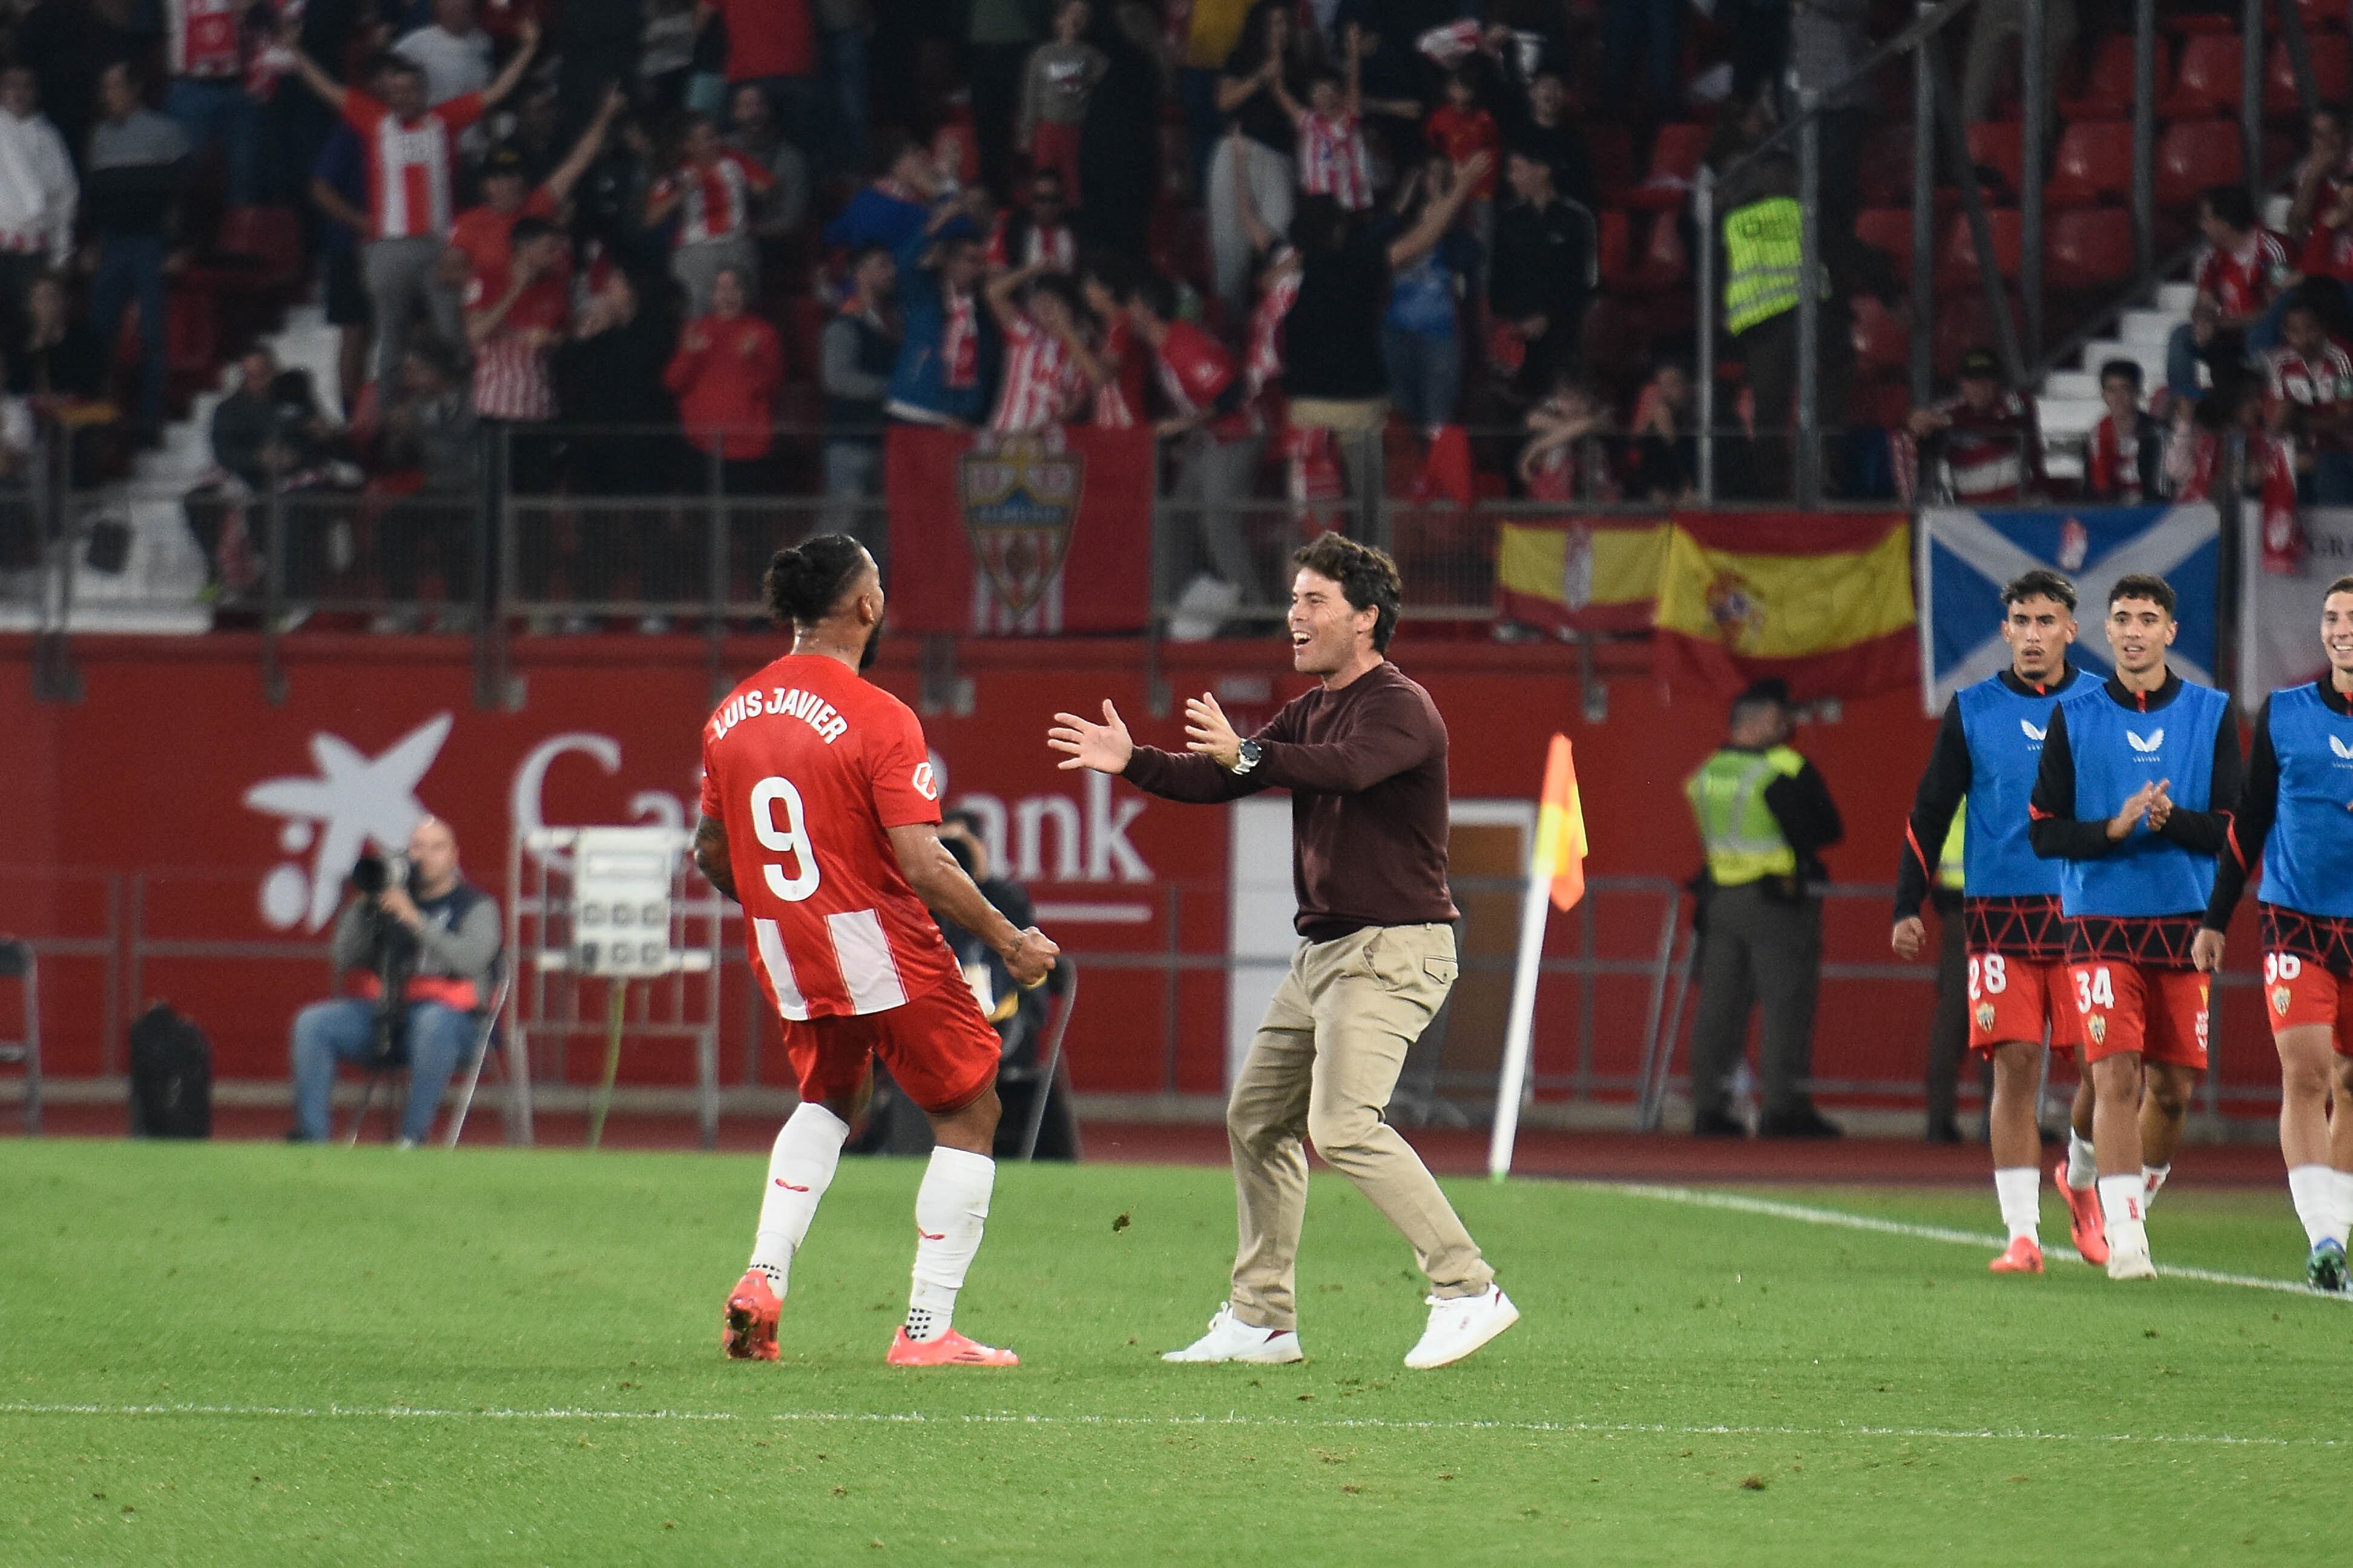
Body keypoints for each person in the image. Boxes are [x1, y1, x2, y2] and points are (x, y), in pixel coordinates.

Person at [1048, 532, 1520, 1371]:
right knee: (1257, 1117)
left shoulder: (1399, 704)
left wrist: (1251, 752)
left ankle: (1465, 1285)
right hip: (1327, 956)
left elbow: (1342, 769)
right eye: (1293, 598)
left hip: (1391, 947)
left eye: (1313, 601)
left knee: (1340, 1124)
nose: (1292, 617)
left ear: (1366, 618)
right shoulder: (1309, 708)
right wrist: (1135, 763)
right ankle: (1261, 1319)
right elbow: (1227, 775)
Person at [694, 533, 1059, 1366]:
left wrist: (785, 906)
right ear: (864, 607)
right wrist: (1007, 938)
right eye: (879, 585)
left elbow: (711, 853)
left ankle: (761, 1276)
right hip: (877, 942)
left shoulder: (731, 712)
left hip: (784, 943)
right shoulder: (878, 715)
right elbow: (923, 859)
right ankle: (926, 1328)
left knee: (831, 1097)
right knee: (970, 1109)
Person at [2030, 574, 2243, 1281]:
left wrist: (2167, 820)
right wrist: (2113, 827)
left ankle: (2105, 1187)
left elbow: (2228, 828)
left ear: (2168, 631)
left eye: (2145, 618)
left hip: (2181, 919)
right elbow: (2043, 831)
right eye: (2119, 617)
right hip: (2096, 921)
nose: (2130, 630)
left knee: (2173, 1089)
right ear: (2106, 628)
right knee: (2114, 1074)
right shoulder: (2074, 714)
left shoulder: (2210, 713)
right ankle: (2125, 1237)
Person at [1892, 569, 2106, 1272]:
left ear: (2069, 630)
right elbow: (1928, 810)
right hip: (1996, 918)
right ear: (2006, 628)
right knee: (2014, 1068)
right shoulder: (1972, 708)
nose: (2033, 633)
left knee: (2102, 1073)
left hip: (2085, 914)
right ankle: (2020, 1233)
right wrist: (1905, 903)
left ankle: (2077, 1183)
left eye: (2047, 621)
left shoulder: (2100, 702)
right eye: (2021, 620)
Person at [2198, 577, 2353, 1291]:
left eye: (2350, 617)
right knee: (2306, 1071)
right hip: (2294, 919)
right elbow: (2249, 819)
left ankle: (2337, 1228)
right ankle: (2320, 1235)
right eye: (2330, 617)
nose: (2339, 628)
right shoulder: (2283, 713)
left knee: (2349, 1084)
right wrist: (2214, 914)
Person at [287, 22, 543, 399]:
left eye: (411, 89)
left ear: (424, 92)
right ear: (387, 94)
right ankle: (389, 417)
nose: (404, 96)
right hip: (388, 247)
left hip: (439, 247)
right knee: (390, 333)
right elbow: (326, 88)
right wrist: (295, 52)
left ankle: (462, 405)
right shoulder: (372, 118)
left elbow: (496, 92)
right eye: (397, 91)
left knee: (451, 331)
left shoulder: (444, 120)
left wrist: (528, 49)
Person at [1684, 679, 1846, 1139]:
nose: (1788, 727)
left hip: (1718, 900)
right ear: (1753, 723)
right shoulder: (1782, 768)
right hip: (1774, 902)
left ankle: (1708, 1107)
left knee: (1717, 1007)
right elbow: (1824, 829)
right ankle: (1783, 1107)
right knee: (1785, 1004)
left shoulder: (1708, 771)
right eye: (1779, 719)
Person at [287, 816, 501, 1147]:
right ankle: (312, 1138)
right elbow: (343, 958)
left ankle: (411, 1139)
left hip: (459, 1025)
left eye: (437, 847)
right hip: (390, 1016)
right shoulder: (391, 898)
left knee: (433, 1022)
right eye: (417, 847)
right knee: (313, 1022)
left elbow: (471, 960)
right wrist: (366, 903)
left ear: (454, 855)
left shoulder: (477, 906)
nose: (425, 856)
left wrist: (415, 919)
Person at [85, 61, 191, 441]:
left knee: (152, 336)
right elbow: (94, 200)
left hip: (151, 244)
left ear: (133, 90)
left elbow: (184, 196)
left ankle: (149, 422)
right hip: (112, 245)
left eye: (113, 88)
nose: (106, 96)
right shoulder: (99, 137)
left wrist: (179, 246)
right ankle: (98, 417)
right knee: (99, 333)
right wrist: (92, 244)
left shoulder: (167, 133)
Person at [2167, 186, 2290, 408]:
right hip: (2229, 332)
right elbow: (2202, 303)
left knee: (2260, 334)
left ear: (2225, 223)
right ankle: (2188, 411)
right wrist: (2202, 321)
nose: (2202, 226)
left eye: (2206, 219)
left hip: (2268, 331)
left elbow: (2281, 308)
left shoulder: (2274, 249)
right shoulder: (2212, 258)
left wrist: (2226, 323)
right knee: (2181, 337)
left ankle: (2266, 401)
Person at [665, 264, 783, 491]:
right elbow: (674, 383)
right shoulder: (695, 331)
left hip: (749, 450)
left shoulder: (763, 333)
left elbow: (769, 387)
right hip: (703, 448)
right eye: (721, 289)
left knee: (748, 524)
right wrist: (691, 355)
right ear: (711, 295)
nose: (727, 296)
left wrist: (751, 360)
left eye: (734, 288)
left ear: (745, 293)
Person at [1489, 148, 1594, 401]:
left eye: (1517, 170)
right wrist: (1515, 322)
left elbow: (1584, 280)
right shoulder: (1508, 221)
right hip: (1516, 340)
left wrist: (1548, 316)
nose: (1511, 178)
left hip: (1563, 337)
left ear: (1543, 170)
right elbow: (1498, 281)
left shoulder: (1576, 219)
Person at [650, 111, 775, 315]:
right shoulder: (676, 173)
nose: (716, 142)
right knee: (695, 312)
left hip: (737, 245)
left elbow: (767, 186)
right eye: (708, 138)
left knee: (744, 311)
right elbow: (652, 217)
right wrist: (683, 191)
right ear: (688, 146)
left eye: (716, 136)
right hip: (696, 251)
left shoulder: (734, 160)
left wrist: (756, 187)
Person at [884, 211, 993, 428]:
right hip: (909, 407)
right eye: (971, 261)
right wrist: (932, 228)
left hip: (951, 421)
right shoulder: (925, 290)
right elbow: (902, 267)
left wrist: (967, 413)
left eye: (981, 263)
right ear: (949, 262)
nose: (978, 269)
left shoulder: (983, 310)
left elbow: (980, 367)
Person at [820, 243, 898, 543]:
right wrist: (894, 391)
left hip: (881, 440)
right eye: (882, 265)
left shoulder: (892, 323)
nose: (891, 273)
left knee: (876, 529)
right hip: (850, 443)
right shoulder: (845, 323)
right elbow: (837, 379)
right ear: (860, 274)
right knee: (844, 524)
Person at [1907, 349, 2044, 504]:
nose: (1980, 388)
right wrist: (1916, 424)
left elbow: (1998, 422)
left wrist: (1946, 421)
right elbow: (1917, 424)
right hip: (1968, 514)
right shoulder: (1950, 410)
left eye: (1986, 380)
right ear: (1961, 383)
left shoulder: (2016, 403)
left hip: (2017, 508)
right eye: (1972, 381)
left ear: (1997, 382)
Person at [162, 0, 260, 206]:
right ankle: (181, 233)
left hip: (237, 85)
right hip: (191, 86)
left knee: (245, 177)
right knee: (182, 174)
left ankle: (240, 235)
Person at [0, 68, 76, 337]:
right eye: (12, 86)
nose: (19, 93)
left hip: (33, 253)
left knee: (29, 330)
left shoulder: (49, 138)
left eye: (26, 86)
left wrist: (61, 253)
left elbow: (64, 199)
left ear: (36, 92)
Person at [2262, 299, 2353, 504]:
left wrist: (2300, 423)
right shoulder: (2281, 363)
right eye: (2295, 331)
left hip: (2342, 449)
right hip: (2303, 448)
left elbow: (2347, 419)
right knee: (2274, 470)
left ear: (2323, 328)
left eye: (2310, 329)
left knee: (2328, 469)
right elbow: (2276, 421)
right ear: (2286, 333)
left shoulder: (2342, 358)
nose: (2304, 339)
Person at [982, 261, 1090, 433]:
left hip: (1048, 446)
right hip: (1007, 433)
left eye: (1051, 302)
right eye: (1039, 300)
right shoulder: (1025, 331)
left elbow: (1078, 399)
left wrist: (1052, 423)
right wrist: (1034, 268)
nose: (1043, 307)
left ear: (1068, 308)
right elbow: (993, 294)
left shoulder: (1078, 350)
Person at [1017, 0, 1105, 205]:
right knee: (1044, 181)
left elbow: (1106, 86)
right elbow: (1031, 96)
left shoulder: (1091, 56)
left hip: (1077, 130)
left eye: (1083, 14)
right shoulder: (1043, 55)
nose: (1077, 18)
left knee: (1073, 185)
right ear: (1058, 20)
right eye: (1072, 13)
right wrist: (1027, 134)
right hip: (1048, 129)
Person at [394, 0, 494, 156]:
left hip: (475, 147)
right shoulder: (415, 43)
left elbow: (487, 92)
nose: (456, 7)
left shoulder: (483, 42)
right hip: (436, 146)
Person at [2085, 360, 2166, 505]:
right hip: (2110, 512)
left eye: (2125, 389)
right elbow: (2092, 488)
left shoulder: (2156, 433)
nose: (2118, 397)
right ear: (2104, 395)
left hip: (2149, 511)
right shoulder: (2096, 434)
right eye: (2111, 390)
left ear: (2137, 392)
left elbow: (2159, 486)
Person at [986, 167, 1078, 274]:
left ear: (1063, 201)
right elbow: (994, 284)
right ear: (1031, 202)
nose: (1048, 206)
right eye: (1041, 200)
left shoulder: (1076, 234)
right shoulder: (1012, 235)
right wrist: (1034, 269)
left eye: (1054, 199)